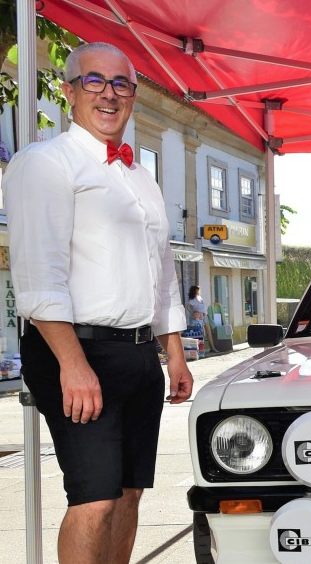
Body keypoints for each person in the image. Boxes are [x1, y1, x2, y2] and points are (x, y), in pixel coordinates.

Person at [3, 42, 193, 564]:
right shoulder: (44, 163)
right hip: (76, 351)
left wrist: (174, 353)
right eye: (94, 81)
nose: (109, 94)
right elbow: (38, 276)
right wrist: (72, 363)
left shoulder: (141, 177)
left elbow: (162, 272)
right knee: (95, 499)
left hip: (139, 354)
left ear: (132, 95)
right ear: (69, 92)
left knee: (129, 494)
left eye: (121, 83)